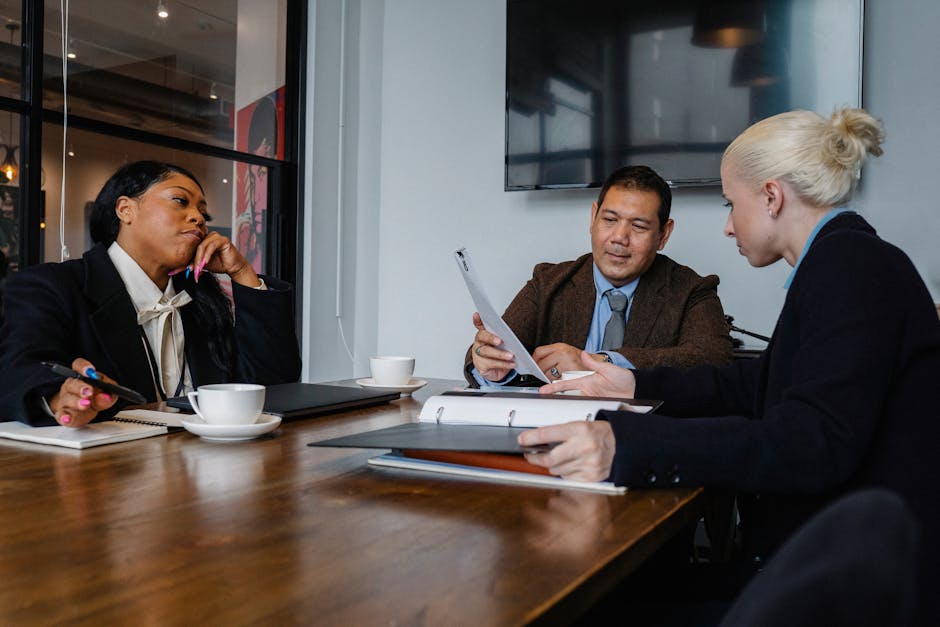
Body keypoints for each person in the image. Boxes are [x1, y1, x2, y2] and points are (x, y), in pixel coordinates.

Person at [520, 109, 940, 625]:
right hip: (811, 567)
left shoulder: (851, 270)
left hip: (837, 596)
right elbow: (757, 384)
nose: (725, 224)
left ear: (771, 196)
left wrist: (623, 444)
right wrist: (632, 381)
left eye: (729, 203)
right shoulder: (843, 262)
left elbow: (808, 443)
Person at [0, 161, 302, 428]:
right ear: (125, 209)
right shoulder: (51, 286)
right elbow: (16, 370)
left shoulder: (200, 303)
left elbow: (275, 385)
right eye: (180, 201)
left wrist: (242, 273)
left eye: (202, 211)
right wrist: (58, 395)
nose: (197, 217)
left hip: (210, 474)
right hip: (103, 476)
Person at [466, 165, 733, 386]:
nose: (619, 238)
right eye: (609, 220)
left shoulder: (692, 290)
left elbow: (713, 360)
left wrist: (599, 362)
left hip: (639, 438)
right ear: (593, 218)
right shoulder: (548, 282)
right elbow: (493, 349)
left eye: (638, 226)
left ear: (663, 235)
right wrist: (492, 364)